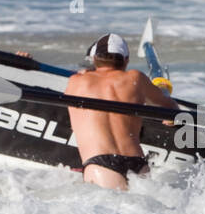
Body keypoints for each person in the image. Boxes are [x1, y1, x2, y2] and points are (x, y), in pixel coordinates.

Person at [64, 34, 177, 190]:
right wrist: (170, 118)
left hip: (100, 164)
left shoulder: (76, 82)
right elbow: (171, 108)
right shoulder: (136, 78)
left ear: (94, 59)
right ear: (126, 61)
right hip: (137, 163)